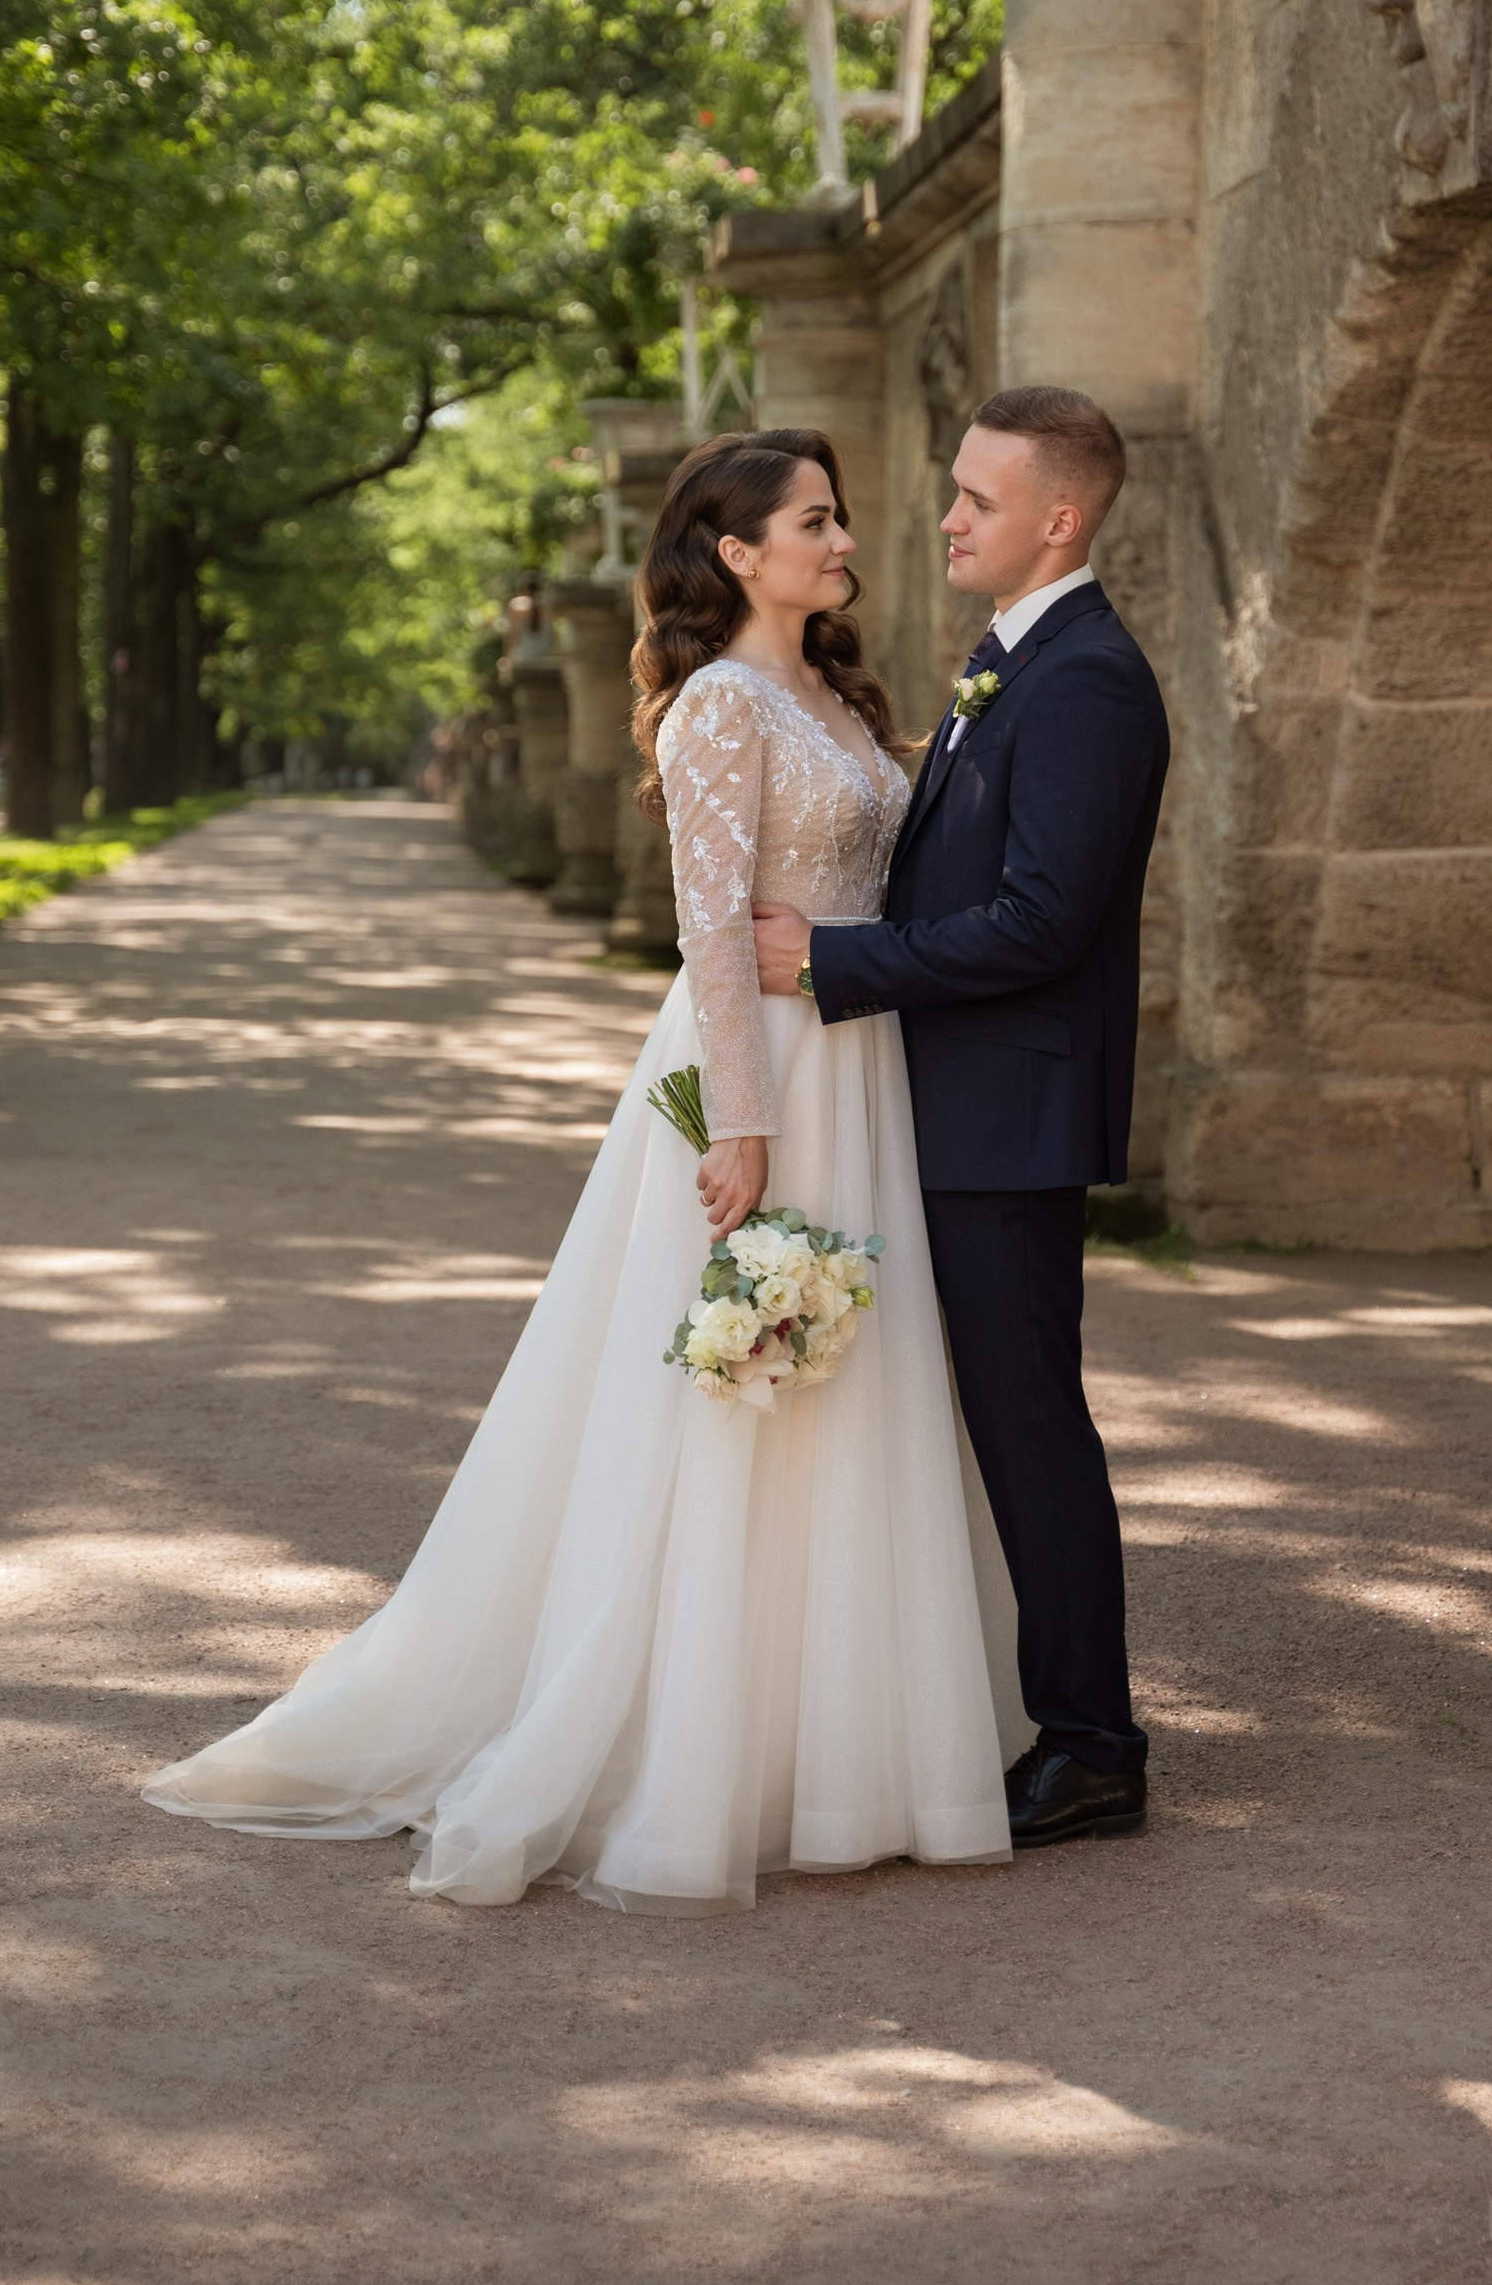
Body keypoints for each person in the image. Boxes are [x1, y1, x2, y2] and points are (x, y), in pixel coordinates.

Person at [142, 430, 1026, 1911]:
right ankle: (701, 1756)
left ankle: (854, 1746)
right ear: (738, 553)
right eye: (814, 520)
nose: (843, 539)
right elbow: (709, 928)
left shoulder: (836, 692)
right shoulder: (719, 704)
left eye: (838, 517)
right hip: (767, 1067)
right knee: (745, 1385)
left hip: (865, 1061)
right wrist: (740, 1122)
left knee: (851, 1381)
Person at [752, 385, 1169, 1849]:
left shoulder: (1089, 679)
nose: (946, 519)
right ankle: (969, 1708)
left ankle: (1093, 1745)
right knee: (965, 1422)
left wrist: (835, 963)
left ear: (1059, 518)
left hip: (1007, 1119)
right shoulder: (1013, 659)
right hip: (945, 1103)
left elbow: (1044, 924)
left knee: (1027, 1423)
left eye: (978, 500)